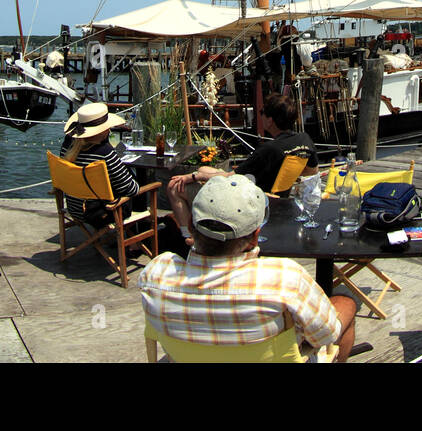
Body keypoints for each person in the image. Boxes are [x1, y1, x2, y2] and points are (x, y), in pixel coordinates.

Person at [139, 173, 357, 361]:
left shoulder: (156, 274)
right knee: (345, 303)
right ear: (254, 237)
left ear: (190, 226)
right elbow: (325, 336)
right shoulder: (284, 278)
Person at [168, 92, 316, 235]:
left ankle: (191, 238)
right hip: (278, 199)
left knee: (174, 188)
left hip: (248, 204)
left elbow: (229, 177)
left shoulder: (268, 150)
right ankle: (203, 226)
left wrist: (194, 177)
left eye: (262, 112)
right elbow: (311, 171)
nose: (260, 115)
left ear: (270, 120)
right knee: (204, 168)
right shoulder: (304, 140)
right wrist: (285, 175)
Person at [57, 102, 138, 227]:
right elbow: (130, 190)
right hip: (100, 213)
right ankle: (136, 240)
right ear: (105, 129)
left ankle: (107, 239)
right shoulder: (105, 153)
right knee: (140, 188)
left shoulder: (67, 146)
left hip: (74, 209)